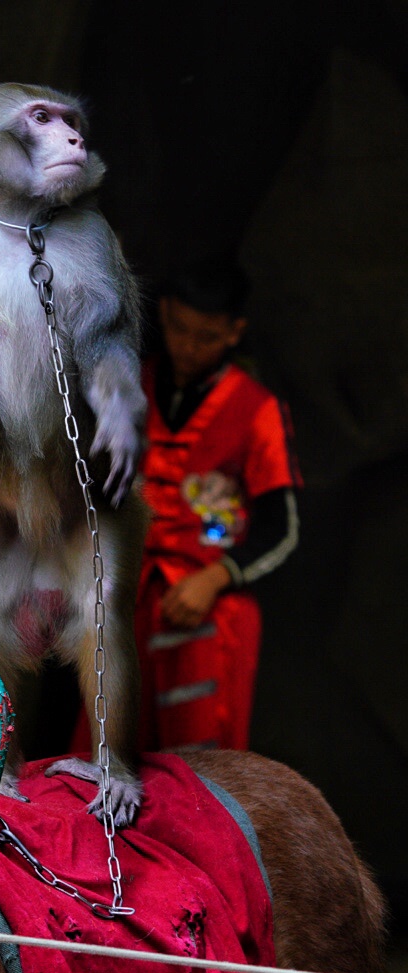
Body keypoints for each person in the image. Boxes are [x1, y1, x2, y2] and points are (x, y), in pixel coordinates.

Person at [129, 256, 301, 750]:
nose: (187, 347)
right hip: (127, 607)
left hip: (209, 616)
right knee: (108, 761)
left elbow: (281, 528)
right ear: (162, 313)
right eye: (179, 329)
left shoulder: (257, 409)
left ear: (233, 333)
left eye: (205, 337)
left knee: (204, 773)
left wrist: (215, 578)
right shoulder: (129, 387)